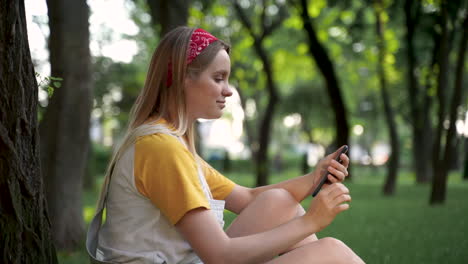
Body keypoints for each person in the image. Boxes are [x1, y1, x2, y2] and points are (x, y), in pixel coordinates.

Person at [86, 26, 364, 264]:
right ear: (183, 78)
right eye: (218, 78)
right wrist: (312, 221)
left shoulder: (170, 142)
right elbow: (219, 256)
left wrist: (315, 177)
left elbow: (250, 199)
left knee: (280, 201)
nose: (228, 90)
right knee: (331, 252)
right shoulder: (160, 147)